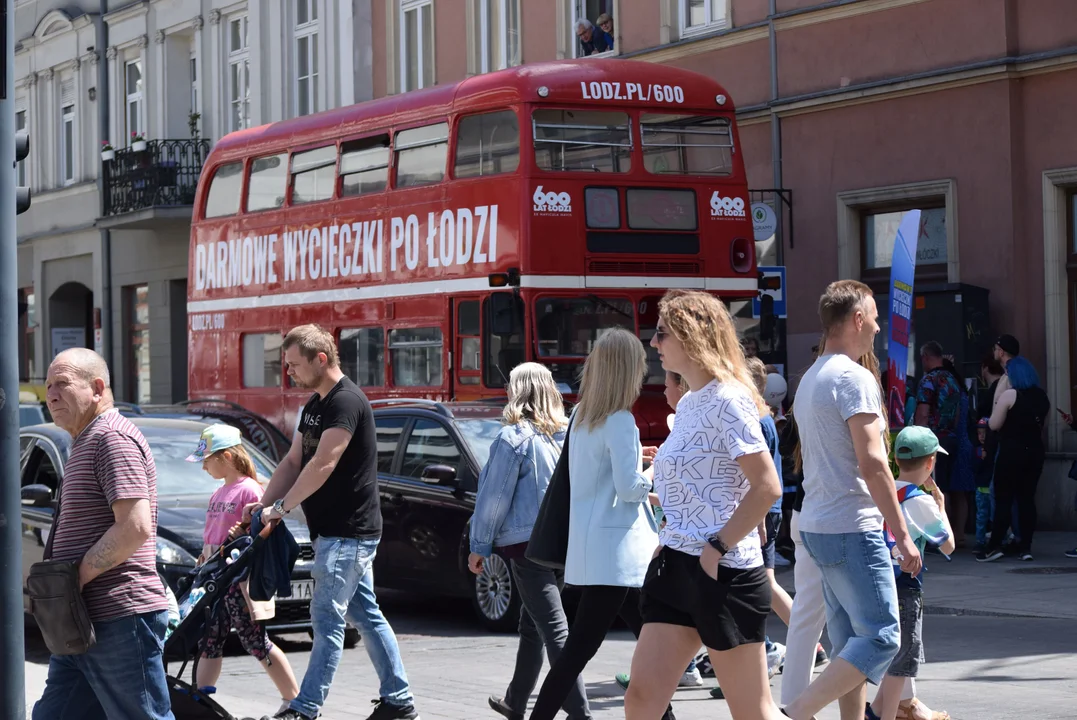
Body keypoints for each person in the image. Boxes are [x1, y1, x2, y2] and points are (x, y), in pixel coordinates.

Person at [623, 290, 784, 720]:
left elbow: (767, 487)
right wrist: (669, 538)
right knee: (641, 699)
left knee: (753, 712)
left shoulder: (729, 400)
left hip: (725, 573)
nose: (653, 344)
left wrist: (717, 547)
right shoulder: (691, 402)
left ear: (692, 336)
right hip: (676, 566)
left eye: (661, 334)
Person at [251, 325, 418, 720]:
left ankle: (304, 709)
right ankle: (399, 700)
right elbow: (294, 461)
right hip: (334, 532)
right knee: (365, 614)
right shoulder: (314, 405)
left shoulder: (346, 403)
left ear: (320, 359)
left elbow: (323, 463)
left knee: (326, 620)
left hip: (349, 533)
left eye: (293, 364)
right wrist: (262, 504)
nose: (288, 371)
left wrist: (282, 508)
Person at [783, 280, 920, 720]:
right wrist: (902, 534)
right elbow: (875, 464)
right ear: (858, 319)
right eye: (876, 318)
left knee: (848, 644)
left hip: (819, 526)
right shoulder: (853, 377)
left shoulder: (810, 379)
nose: (879, 328)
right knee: (882, 637)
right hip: (850, 526)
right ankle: (795, 712)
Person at [527, 327, 670, 720]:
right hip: (622, 555)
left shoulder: (582, 416)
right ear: (628, 371)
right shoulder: (622, 420)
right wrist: (658, 466)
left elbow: (594, 475)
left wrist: (636, 458)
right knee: (591, 651)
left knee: (640, 647)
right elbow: (628, 490)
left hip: (593, 550)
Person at [33, 348, 174, 720]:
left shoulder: (111, 436)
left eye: (62, 383)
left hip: (118, 616)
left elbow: (135, 526)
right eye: (48, 386)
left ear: (97, 388)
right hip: (82, 619)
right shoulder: (86, 439)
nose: (51, 395)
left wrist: (74, 579)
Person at [466, 363, 590, 720]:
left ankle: (580, 713)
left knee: (553, 628)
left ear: (516, 391)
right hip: (565, 543)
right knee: (532, 623)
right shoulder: (568, 433)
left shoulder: (513, 438)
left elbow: (494, 498)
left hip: (528, 546)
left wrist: (480, 545)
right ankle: (515, 701)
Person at [187, 424, 299, 713]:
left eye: (206, 461)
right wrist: (204, 559)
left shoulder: (249, 489)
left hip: (238, 578)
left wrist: (243, 534)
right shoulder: (219, 492)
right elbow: (212, 534)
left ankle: (294, 699)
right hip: (216, 576)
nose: (203, 468)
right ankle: (200, 700)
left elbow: (263, 529)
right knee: (210, 637)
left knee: (254, 639)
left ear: (226, 457)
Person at [867, 426, 955, 720]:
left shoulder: (884, 488)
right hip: (906, 585)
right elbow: (948, 546)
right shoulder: (920, 499)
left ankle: (879, 712)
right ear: (931, 462)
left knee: (895, 651)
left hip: (878, 579)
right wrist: (941, 506)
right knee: (903, 659)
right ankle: (889, 715)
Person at [977, 356, 1050, 563]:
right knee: (1027, 499)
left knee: (1003, 500)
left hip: (1011, 452)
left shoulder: (1010, 395)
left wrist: (999, 395)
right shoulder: (1042, 397)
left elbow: (993, 424)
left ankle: (994, 546)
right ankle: (1025, 547)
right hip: (1035, 452)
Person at [913, 342, 966, 546]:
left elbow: (923, 413)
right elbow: (958, 413)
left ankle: (937, 537)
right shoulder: (952, 380)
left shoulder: (929, 380)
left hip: (932, 440)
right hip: (950, 439)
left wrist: (918, 437)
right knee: (945, 489)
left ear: (926, 357)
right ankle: (948, 534)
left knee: (932, 487)